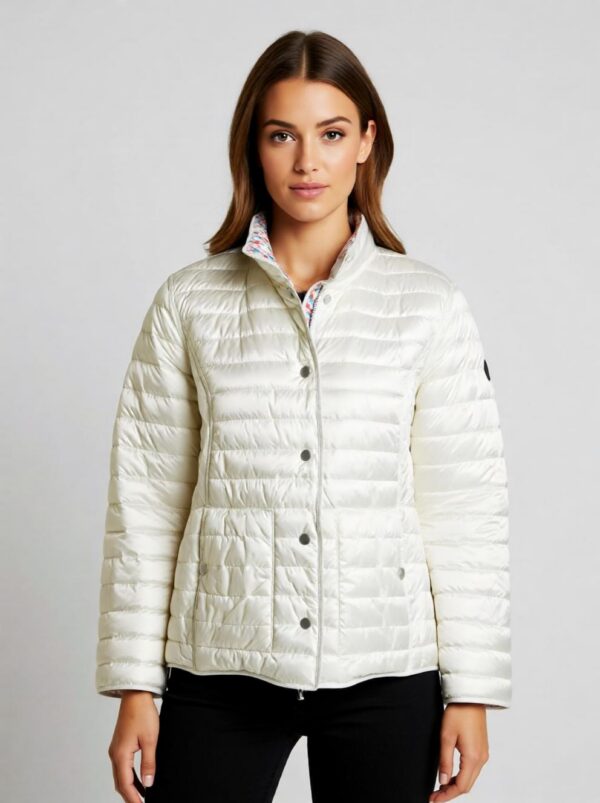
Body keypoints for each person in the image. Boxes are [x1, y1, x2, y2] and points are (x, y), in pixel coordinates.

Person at [96, 29, 511, 803]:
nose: (307, 161)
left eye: (332, 133)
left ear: (367, 143)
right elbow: (146, 507)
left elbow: (464, 509)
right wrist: (134, 687)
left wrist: (473, 690)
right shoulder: (190, 303)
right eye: (282, 135)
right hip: (222, 663)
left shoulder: (428, 305)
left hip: (386, 668)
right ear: (253, 147)